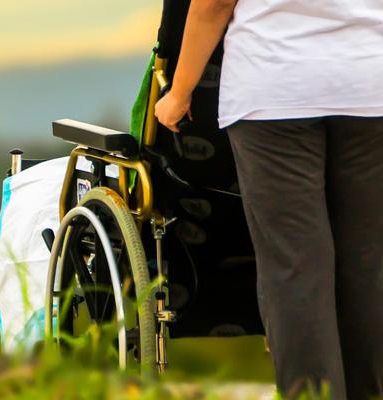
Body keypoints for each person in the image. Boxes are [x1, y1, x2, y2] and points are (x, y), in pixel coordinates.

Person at [154, 0, 383, 398]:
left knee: (295, 269)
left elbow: (213, 4)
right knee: (368, 265)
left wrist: (180, 91)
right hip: (370, 84)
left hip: (276, 89)